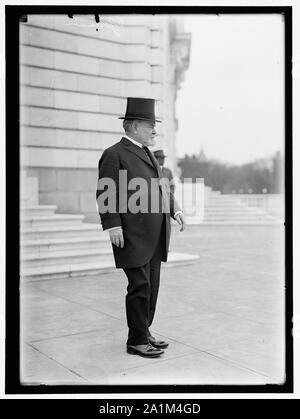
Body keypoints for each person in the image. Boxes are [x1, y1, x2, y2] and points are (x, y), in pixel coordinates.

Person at [96, 97, 186, 358]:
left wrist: (176, 210)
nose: (155, 130)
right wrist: (112, 225)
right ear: (134, 126)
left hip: (155, 236)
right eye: (150, 125)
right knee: (139, 287)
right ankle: (136, 340)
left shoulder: (148, 154)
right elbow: (106, 192)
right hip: (132, 235)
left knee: (151, 287)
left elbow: (162, 188)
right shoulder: (114, 154)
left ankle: (143, 332)